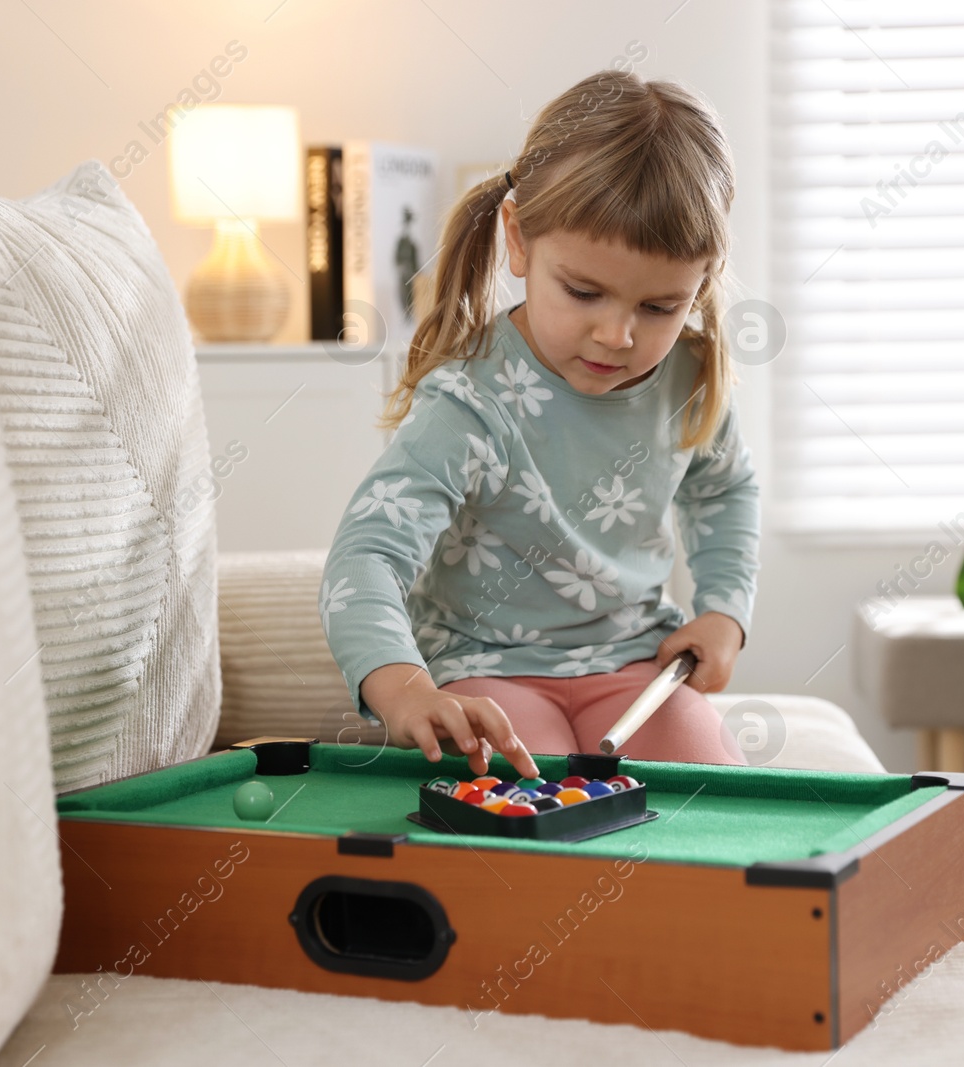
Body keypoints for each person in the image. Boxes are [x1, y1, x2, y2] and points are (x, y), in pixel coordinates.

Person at [319, 69, 758, 780]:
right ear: (518, 240)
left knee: (714, 794)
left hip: (637, 665)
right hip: (484, 668)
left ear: (703, 284)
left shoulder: (690, 377)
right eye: (583, 291)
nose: (618, 334)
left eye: (659, 307)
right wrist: (404, 686)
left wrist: (724, 612)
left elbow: (725, 490)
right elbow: (365, 556)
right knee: (531, 798)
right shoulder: (468, 401)